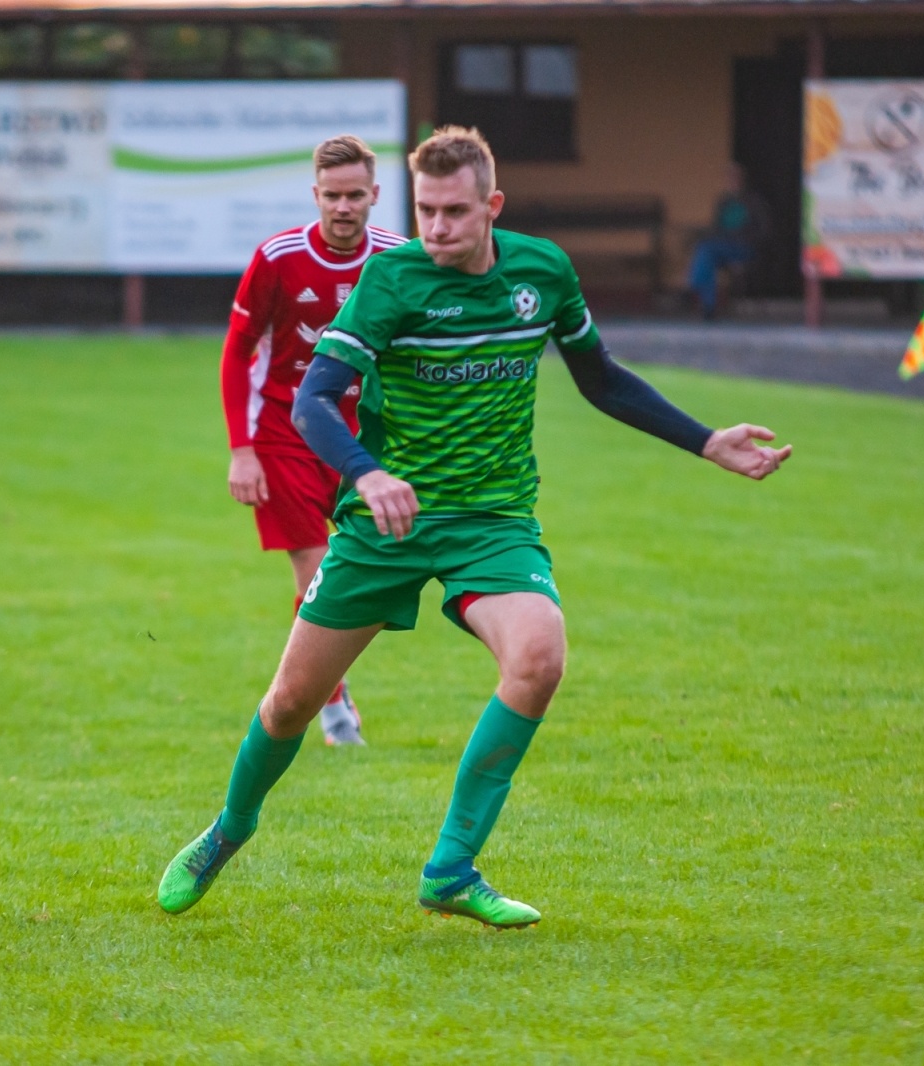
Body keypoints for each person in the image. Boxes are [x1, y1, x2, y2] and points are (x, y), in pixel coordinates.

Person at [158, 128, 791, 928]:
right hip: (382, 522)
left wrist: (706, 442)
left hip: (492, 520)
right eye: (425, 210)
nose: (438, 228)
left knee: (540, 656)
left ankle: (452, 869)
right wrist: (369, 473)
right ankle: (230, 827)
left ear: (491, 206)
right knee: (289, 703)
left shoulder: (543, 272)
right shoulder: (391, 280)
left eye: (455, 211)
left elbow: (601, 380)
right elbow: (314, 398)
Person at [220, 134, 407, 747]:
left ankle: (322, 685)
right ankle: (331, 705)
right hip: (286, 435)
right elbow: (238, 353)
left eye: (356, 195)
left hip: (365, 443)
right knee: (319, 568)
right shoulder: (276, 258)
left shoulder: (399, 261)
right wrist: (242, 449)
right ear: (315, 195)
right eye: (333, 196)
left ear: (375, 194)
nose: (344, 207)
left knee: (374, 574)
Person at [687, 163, 770, 320]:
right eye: (728, 178)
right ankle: (708, 307)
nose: (731, 181)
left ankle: (694, 290)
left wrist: (745, 240)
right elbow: (715, 228)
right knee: (706, 254)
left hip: (745, 247)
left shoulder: (754, 201)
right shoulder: (722, 202)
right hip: (721, 247)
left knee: (705, 251)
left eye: (735, 178)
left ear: (742, 179)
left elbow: (764, 230)